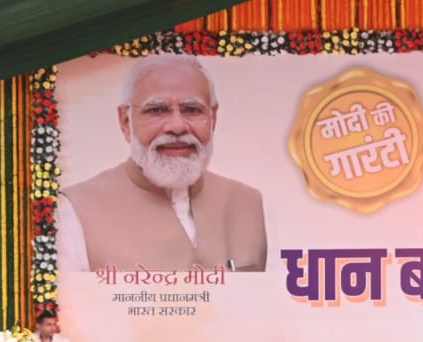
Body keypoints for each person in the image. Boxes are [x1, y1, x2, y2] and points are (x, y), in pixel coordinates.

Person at [58, 54, 267, 272]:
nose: (177, 127)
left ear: (213, 118)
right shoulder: (74, 211)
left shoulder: (250, 204)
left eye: (192, 110)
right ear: (126, 121)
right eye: (156, 110)